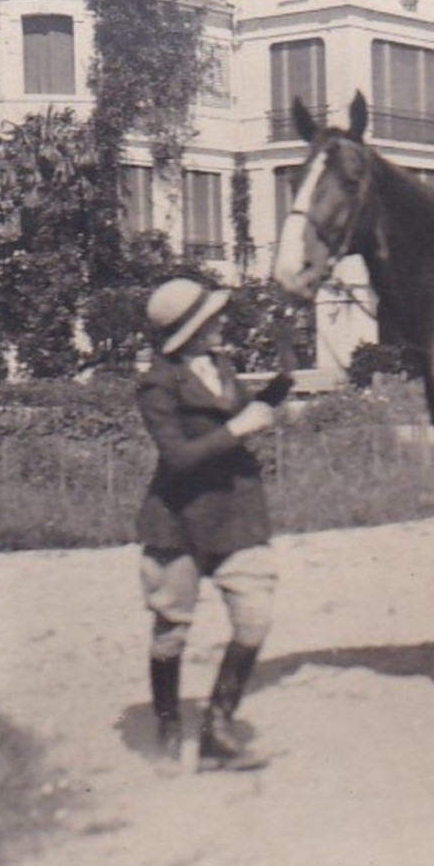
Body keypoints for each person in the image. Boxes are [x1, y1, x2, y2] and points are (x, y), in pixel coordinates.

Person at [136, 277, 290, 773]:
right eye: (213, 317)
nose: (223, 321)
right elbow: (178, 458)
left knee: (256, 617)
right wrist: (239, 430)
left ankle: (217, 731)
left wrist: (283, 377)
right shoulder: (157, 383)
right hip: (178, 519)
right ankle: (167, 731)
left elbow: (247, 413)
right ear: (191, 330)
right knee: (171, 631)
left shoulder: (220, 366)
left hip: (237, 513)